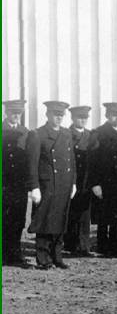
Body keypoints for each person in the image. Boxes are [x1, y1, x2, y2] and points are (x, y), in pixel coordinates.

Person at [26, 101, 77, 269]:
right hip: (47, 184)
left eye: (61, 115)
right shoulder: (37, 134)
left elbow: (72, 160)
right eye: (56, 115)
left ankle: (57, 256)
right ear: (47, 115)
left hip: (64, 183)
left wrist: (74, 181)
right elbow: (32, 163)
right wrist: (34, 186)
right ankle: (43, 258)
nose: (59, 118)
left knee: (60, 219)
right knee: (45, 220)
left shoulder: (66, 133)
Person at [89, 102, 117, 258]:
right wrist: (95, 183)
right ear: (107, 115)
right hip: (104, 181)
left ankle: (115, 243)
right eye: (114, 115)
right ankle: (102, 244)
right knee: (103, 214)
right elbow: (92, 161)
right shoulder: (98, 133)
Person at [2, 99, 30, 266]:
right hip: (2, 183)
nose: (16, 116)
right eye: (13, 112)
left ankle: (15, 253)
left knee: (18, 219)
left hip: (19, 184)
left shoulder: (25, 132)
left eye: (18, 113)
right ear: (6, 113)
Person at [62, 106, 93, 256]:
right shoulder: (66, 134)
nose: (83, 120)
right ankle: (70, 244)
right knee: (71, 212)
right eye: (79, 118)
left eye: (85, 118)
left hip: (86, 180)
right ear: (73, 119)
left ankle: (84, 245)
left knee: (85, 212)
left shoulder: (90, 135)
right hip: (71, 178)